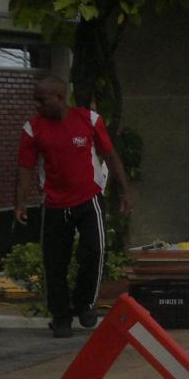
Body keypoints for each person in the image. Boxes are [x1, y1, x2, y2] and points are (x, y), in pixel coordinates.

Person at [14, 75, 131, 337]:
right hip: (55, 204)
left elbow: (110, 155)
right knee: (55, 262)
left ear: (59, 97)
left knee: (95, 250)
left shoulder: (88, 120)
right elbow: (25, 168)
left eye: (42, 101)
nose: (38, 106)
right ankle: (61, 316)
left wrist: (124, 191)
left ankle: (84, 304)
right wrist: (21, 202)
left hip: (89, 199)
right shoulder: (32, 129)